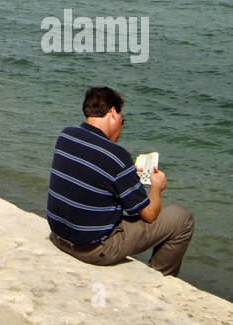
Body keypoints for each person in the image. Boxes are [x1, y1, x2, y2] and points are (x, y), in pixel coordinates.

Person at [47, 85, 194, 276]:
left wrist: (128, 175)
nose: (121, 127)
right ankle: (158, 279)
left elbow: (91, 175)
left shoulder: (66, 136)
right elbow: (149, 215)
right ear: (113, 112)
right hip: (93, 250)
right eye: (122, 121)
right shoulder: (116, 156)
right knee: (182, 219)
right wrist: (157, 187)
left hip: (59, 237)